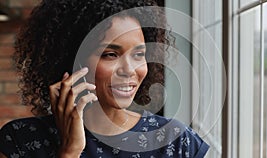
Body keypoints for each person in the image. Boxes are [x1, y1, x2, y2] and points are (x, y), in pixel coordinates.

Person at [0, 0, 209, 157]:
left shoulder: (177, 141)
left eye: (138, 54)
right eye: (110, 54)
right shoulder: (20, 139)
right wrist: (69, 151)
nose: (129, 69)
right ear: (73, 59)